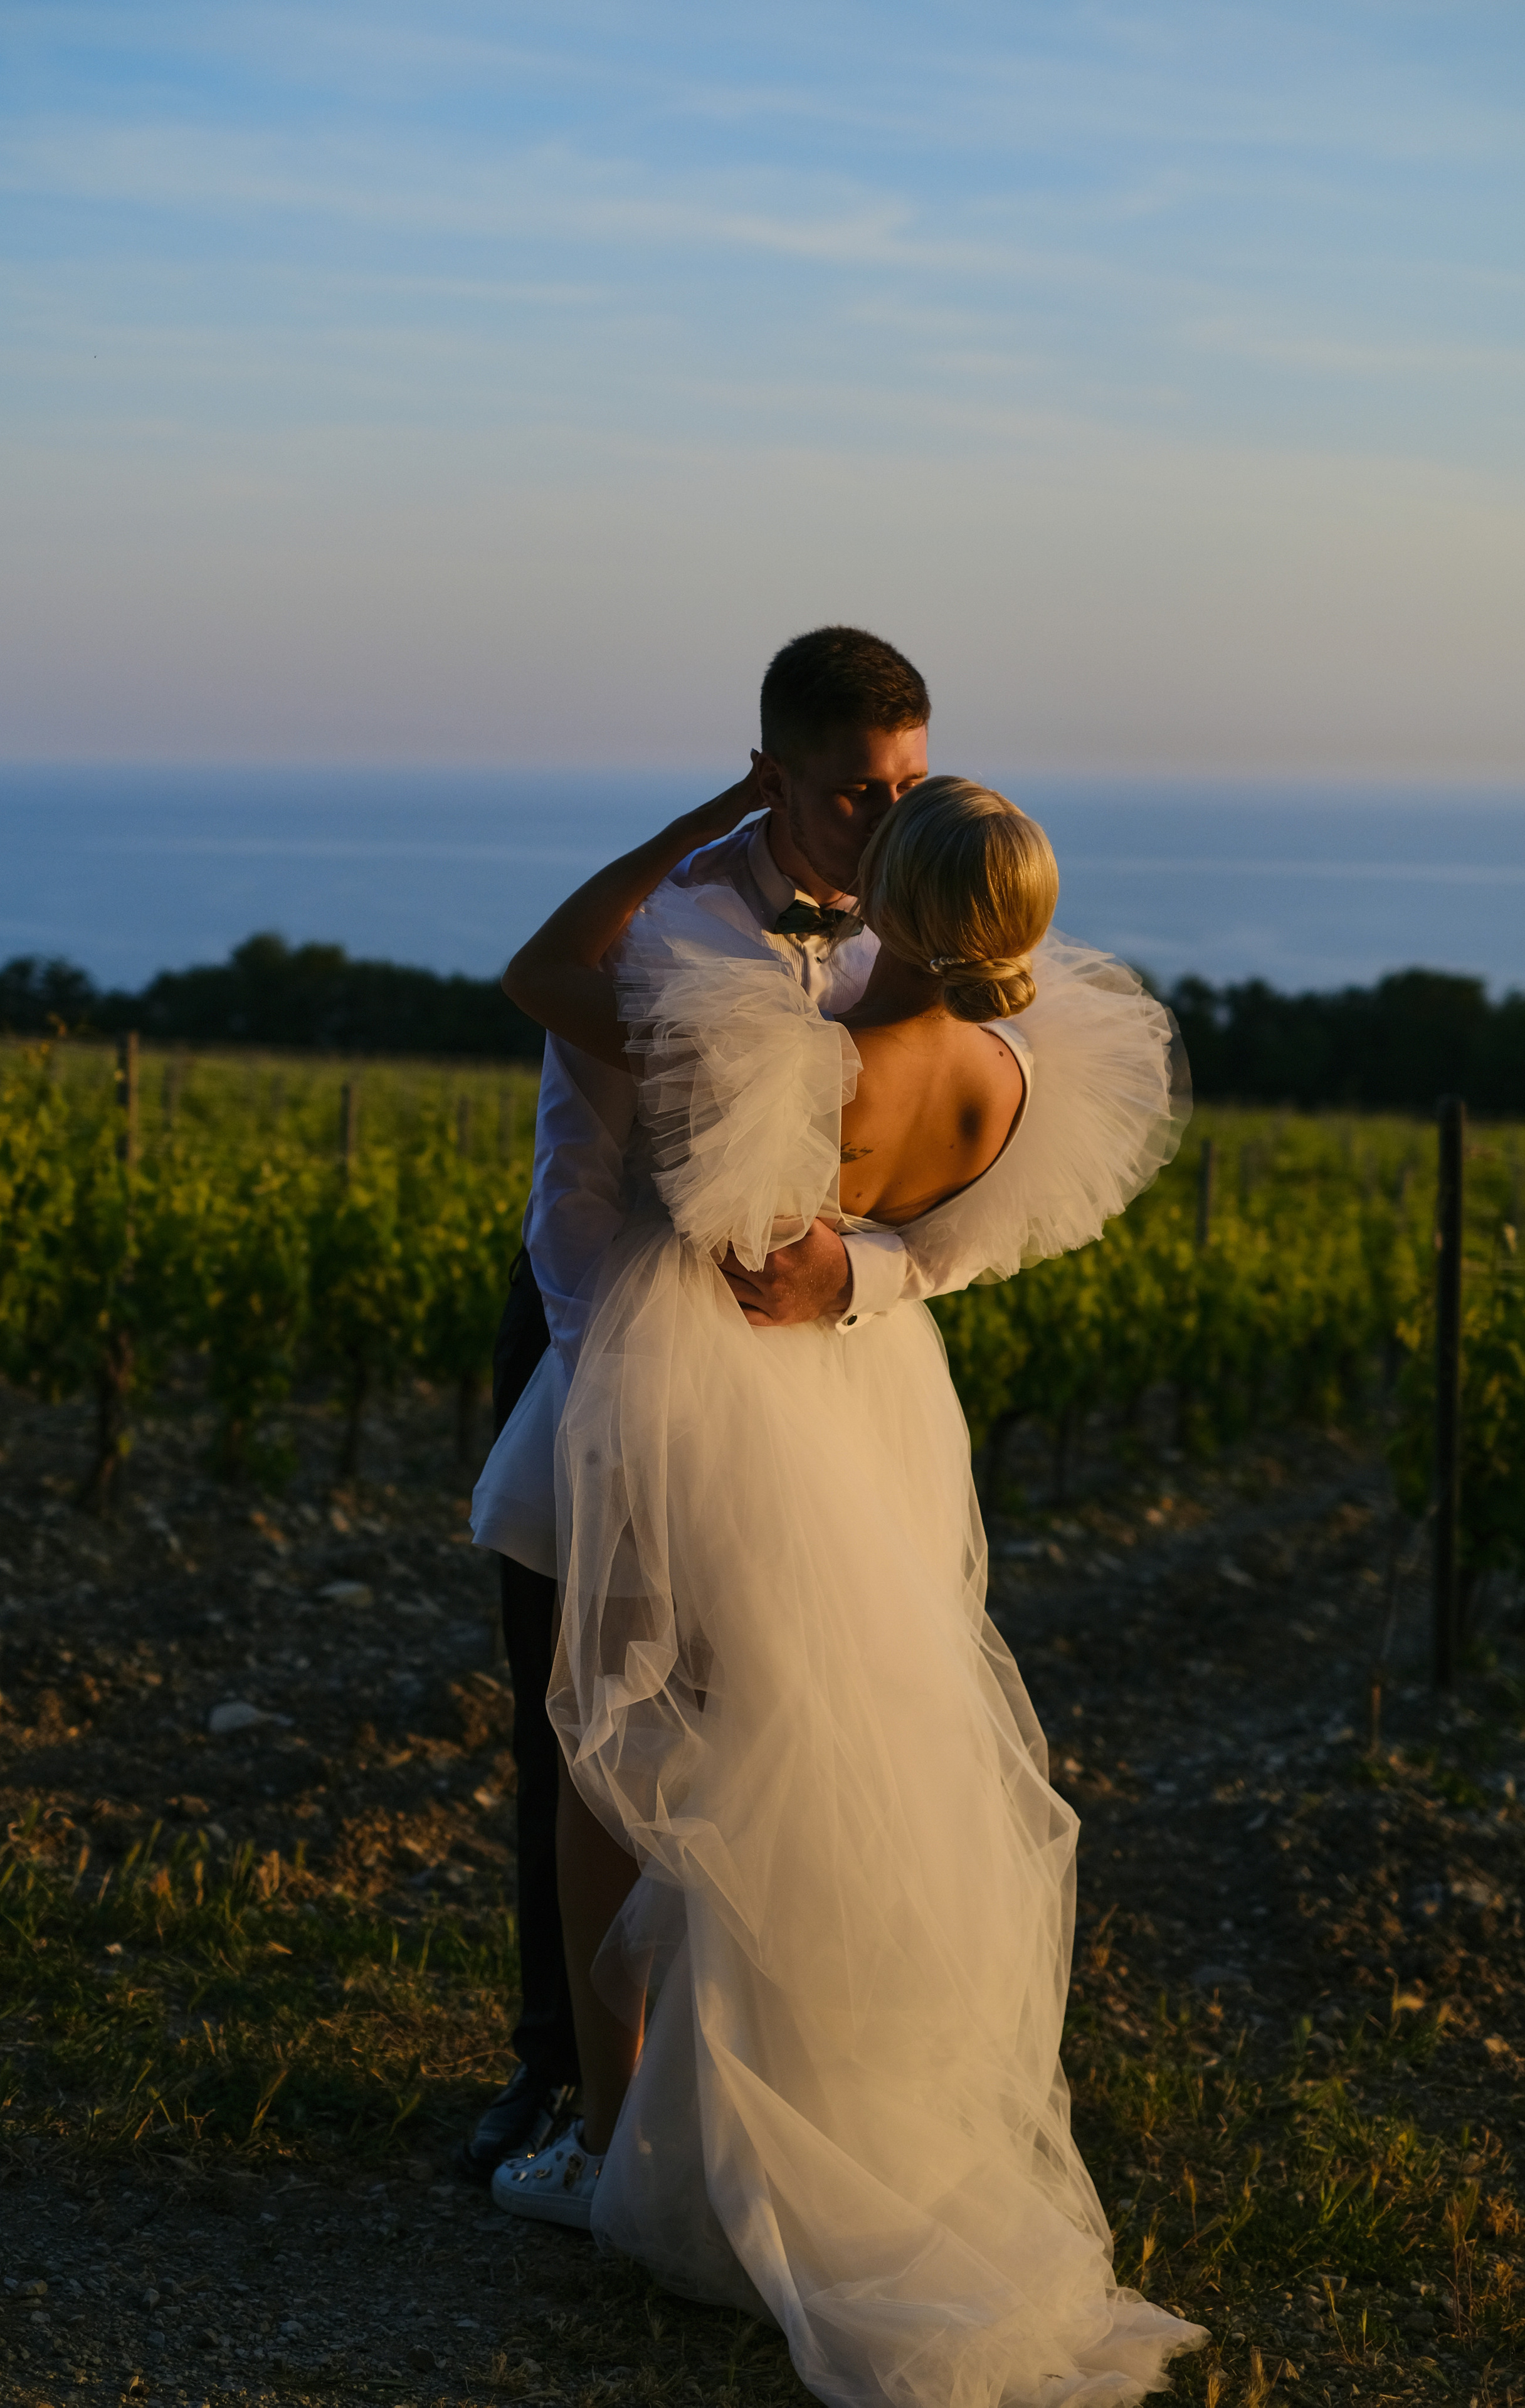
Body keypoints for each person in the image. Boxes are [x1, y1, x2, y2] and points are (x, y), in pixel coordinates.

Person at [472, 771, 1203, 2405]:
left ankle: (619, 2140)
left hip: (723, 1419)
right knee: (833, 1767)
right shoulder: (1016, 1072)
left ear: (894, 903)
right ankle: (821, 2120)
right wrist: (860, 1266)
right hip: (879, 1422)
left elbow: (558, 993)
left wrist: (707, 848)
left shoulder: (798, 1061)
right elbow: (942, 1248)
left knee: (621, 1764)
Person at [462, 625, 942, 2178]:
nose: (886, 822)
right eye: (856, 793)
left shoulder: (926, 935)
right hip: (601, 1347)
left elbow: (957, 1206)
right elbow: (577, 1197)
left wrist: (852, 1281)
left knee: (782, 1730)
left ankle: (733, 2082)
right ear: (770, 779)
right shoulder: (666, 929)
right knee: (581, 1731)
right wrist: (620, 1403)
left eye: (910, 787)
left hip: (813, 1379)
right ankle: (563, 2073)